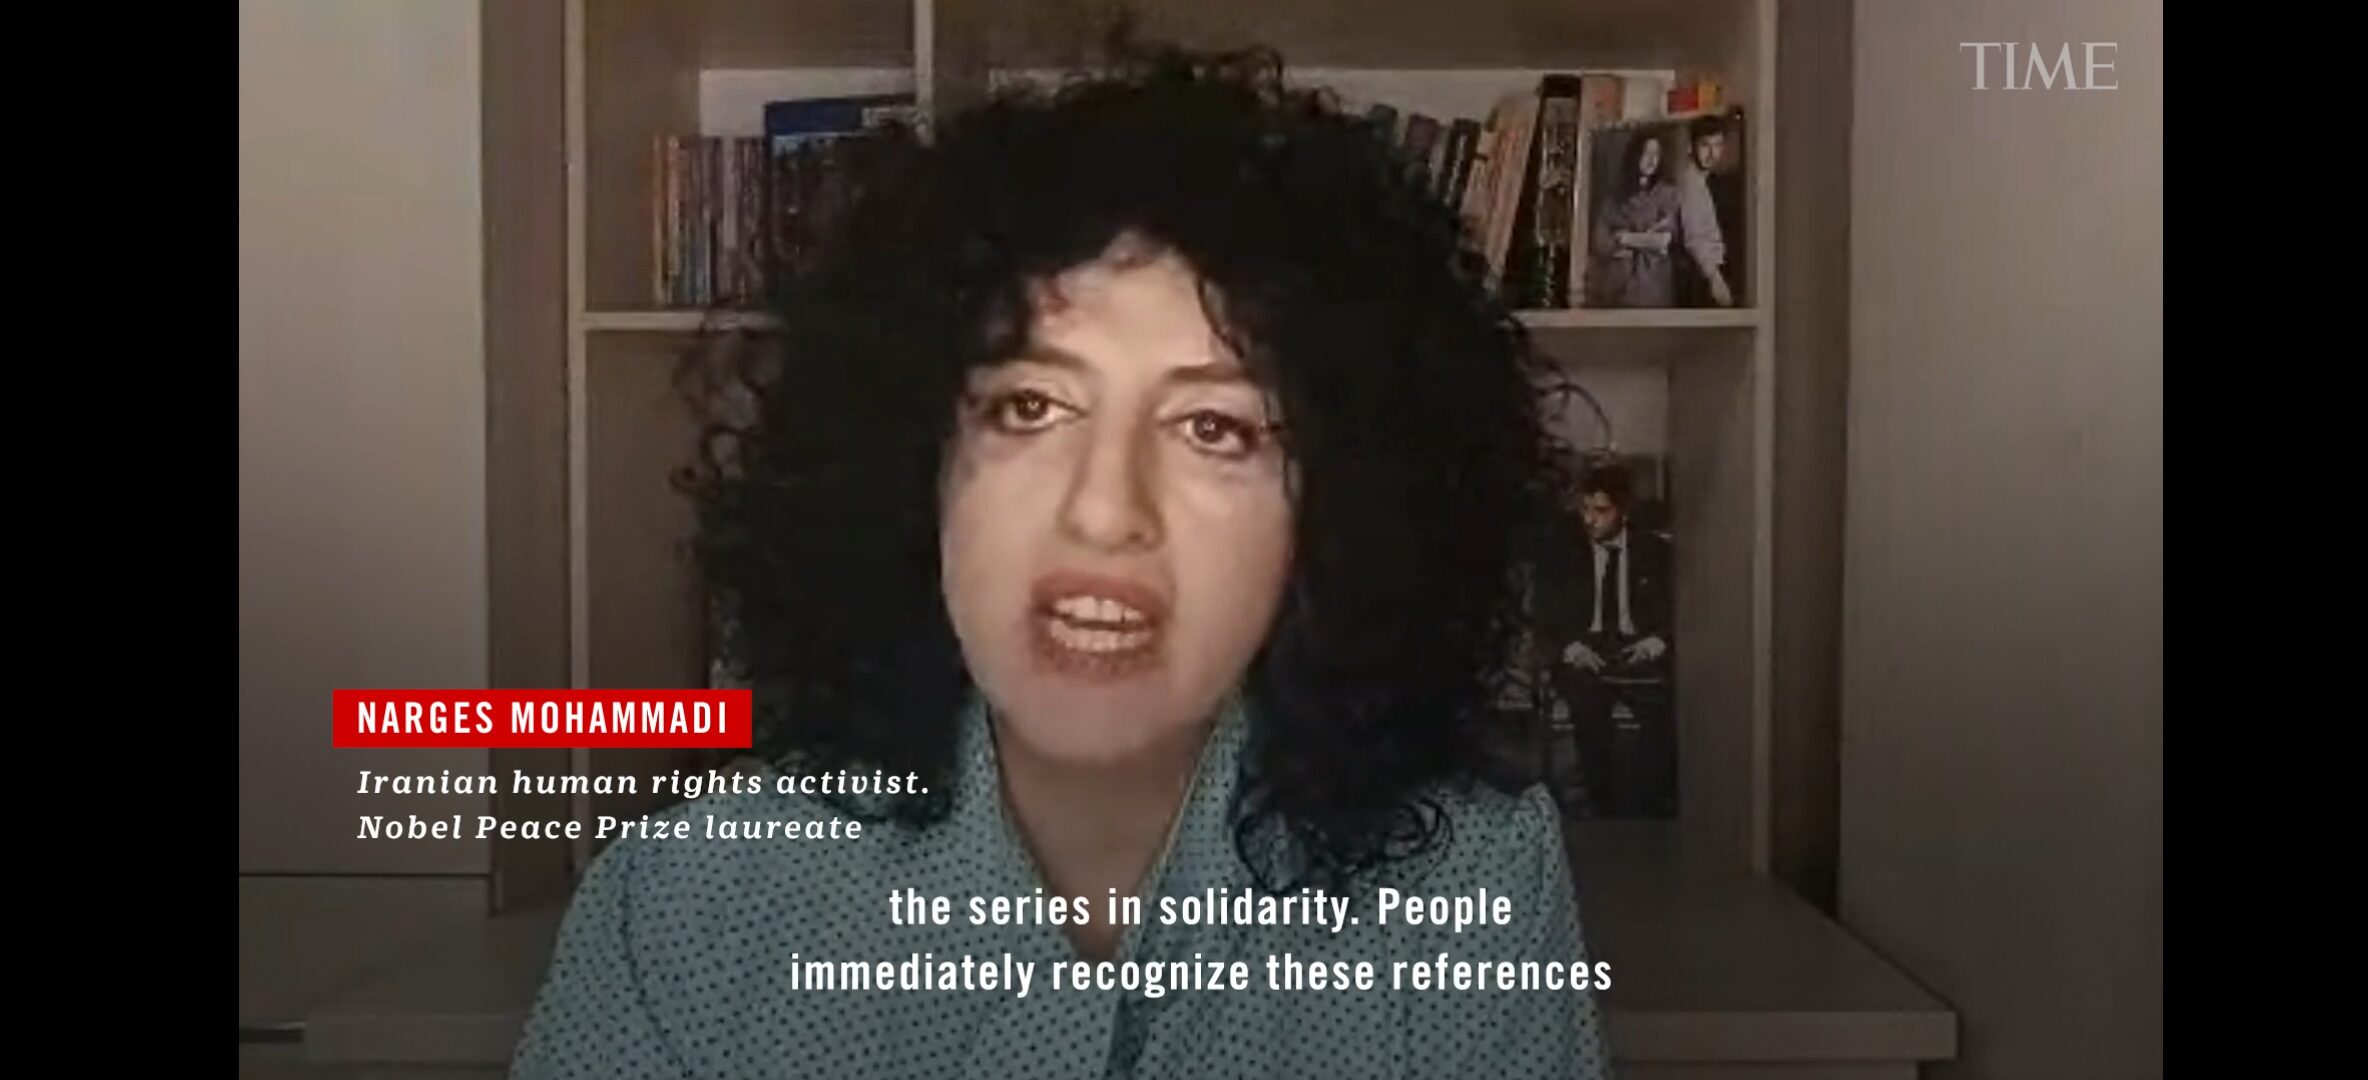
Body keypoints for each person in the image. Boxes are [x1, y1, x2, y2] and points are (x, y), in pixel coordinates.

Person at [509, 38, 1610, 1079]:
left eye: (1214, 428)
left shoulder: (1476, 880)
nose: (1104, 512)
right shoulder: (687, 907)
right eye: (1030, 406)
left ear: (1340, 508)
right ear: (917, 469)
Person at [1533, 461, 1675, 818]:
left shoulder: (1654, 552)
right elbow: (1544, 609)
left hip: (1637, 650)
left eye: (1601, 511)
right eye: (1585, 509)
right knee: (1588, 712)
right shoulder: (1564, 551)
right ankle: (1603, 808)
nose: (1590, 520)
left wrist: (1658, 639)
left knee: (1662, 717)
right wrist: (1570, 646)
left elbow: (1681, 606)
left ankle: (1651, 811)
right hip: (1587, 650)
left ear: (1623, 512)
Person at [1594, 129, 1679, 308]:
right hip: (1619, 288)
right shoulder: (1615, 196)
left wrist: (1624, 238)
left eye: (1656, 154)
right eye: (1646, 153)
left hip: (1653, 288)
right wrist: (1644, 239)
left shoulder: (1667, 193)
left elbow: (1663, 241)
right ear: (1635, 155)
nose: (1651, 160)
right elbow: (1600, 242)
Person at [1674, 114, 1738, 308]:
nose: (1711, 153)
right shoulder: (1690, 182)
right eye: (1705, 145)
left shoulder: (1704, 181)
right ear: (1692, 146)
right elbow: (1695, 238)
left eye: (1717, 145)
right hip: (1699, 274)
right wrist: (1715, 279)